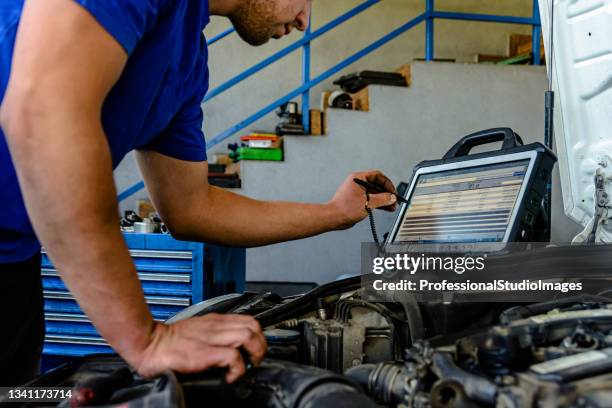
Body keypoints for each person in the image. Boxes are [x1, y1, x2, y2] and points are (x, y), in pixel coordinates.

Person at [0, 0, 397, 386]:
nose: (305, 20)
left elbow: (192, 207)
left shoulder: (187, 61)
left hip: (15, 269)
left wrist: (335, 213)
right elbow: (42, 113)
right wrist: (145, 339)